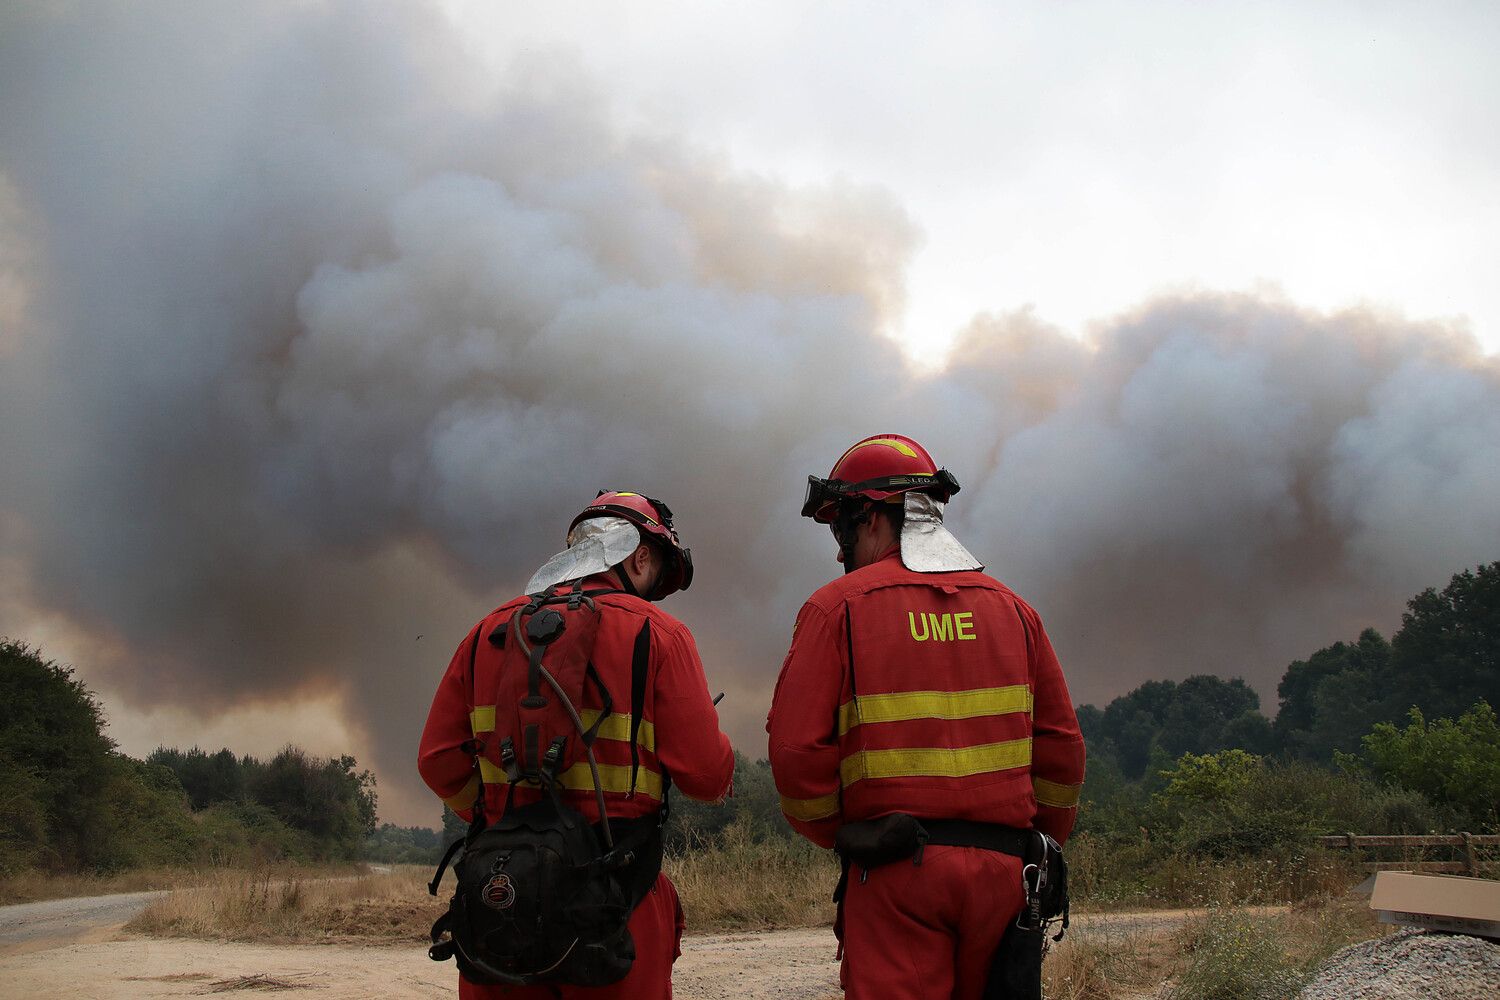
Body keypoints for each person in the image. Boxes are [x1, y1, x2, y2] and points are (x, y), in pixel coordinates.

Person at [767, 435, 1085, 1000]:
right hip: (1006, 877)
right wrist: (1031, 846)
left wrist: (841, 834)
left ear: (873, 520)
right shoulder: (1014, 611)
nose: (840, 551)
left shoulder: (835, 607)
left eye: (841, 527)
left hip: (894, 876)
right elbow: (1061, 752)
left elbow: (795, 754)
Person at [420, 491, 735, 1000]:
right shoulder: (660, 635)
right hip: (618, 903)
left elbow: (437, 763)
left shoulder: (486, 633)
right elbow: (707, 777)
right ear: (640, 556)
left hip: (504, 899)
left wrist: (498, 819)